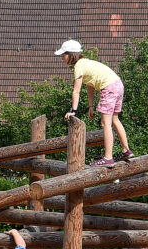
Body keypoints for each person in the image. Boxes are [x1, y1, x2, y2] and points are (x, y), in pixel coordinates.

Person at [56, 39, 131, 167]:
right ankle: (126, 150)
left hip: (108, 88)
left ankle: (108, 158)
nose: (62, 58)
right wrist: (91, 105)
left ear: (71, 54)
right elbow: (90, 85)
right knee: (115, 119)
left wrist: (73, 110)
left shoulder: (78, 66)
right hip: (118, 85)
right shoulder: (86, 63)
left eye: (63, 55)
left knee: (105, 123)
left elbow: (76, 91)